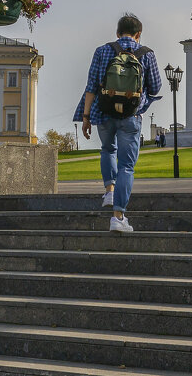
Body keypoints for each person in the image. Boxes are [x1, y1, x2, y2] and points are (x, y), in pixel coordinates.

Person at [74, 13, 161, 233]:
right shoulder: (146, 54)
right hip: (131, 116)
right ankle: (118, 216)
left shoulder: (102, 51)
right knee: (127, 167)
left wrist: (86, 118)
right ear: (138, 34)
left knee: (107, 149)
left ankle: (109, 190)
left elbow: (91, 86)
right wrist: (142, 101)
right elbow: (156, 86)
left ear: (117, 32)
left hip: (104, 113)